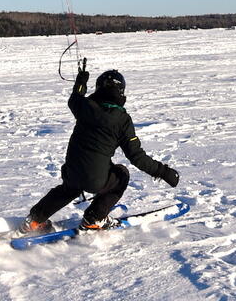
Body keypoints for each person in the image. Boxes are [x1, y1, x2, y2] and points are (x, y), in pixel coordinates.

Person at [19, 59, 180, 233]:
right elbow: (137, 157)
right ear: (120, 91)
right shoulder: (122, 120)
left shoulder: (85, 106)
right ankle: (94, 219)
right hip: (93, 178)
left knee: (70, 187)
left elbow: (74, 98)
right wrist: (163, 172)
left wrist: (81, 82)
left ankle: (34, 220)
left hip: (71, 170)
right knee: (122, 174)